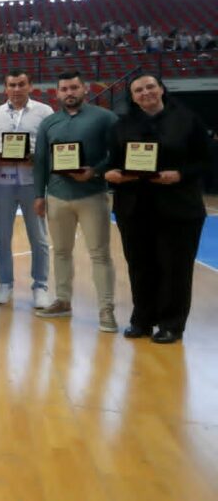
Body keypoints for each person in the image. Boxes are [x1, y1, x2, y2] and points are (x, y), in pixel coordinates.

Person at [104, 74, 208, 344]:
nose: (145, 92)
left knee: (175, 268)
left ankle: (172, 324)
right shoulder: (122, 126)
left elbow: (206, 160)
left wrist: (180, 175)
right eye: (138, 90)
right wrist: (111, 174)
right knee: (139, 266)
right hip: (134, 208)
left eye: (150, 87)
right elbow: (113, 162)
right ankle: (142, 319)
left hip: (178, 208)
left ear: (161, 89)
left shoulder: (188, 120)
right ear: (132, 97)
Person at [33, 71, 118, 332]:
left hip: (92, 195)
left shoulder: (105, 118)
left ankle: (106, 310)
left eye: (74, 88)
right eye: (64, 89)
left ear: (85, 89)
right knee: (61, 252)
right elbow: (41, 161)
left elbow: (118, 152)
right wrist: (39, 195)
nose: (69, 93)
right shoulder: (49, 123)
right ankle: (63, 301)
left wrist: (95, 171)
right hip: (57, 197)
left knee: (100, 254)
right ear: (57, 93)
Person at [0, 70, 53, 309]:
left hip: (33, 183)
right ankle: (5, 283)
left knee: (39, 237)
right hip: (2, 183)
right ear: (5, 88)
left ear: (30, 86)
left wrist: (35, 158)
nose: (16, 89)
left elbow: (52, 146)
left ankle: (40, 285)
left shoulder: (44, 112)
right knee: (2, 237)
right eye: (11, 85)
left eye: (21, 84)